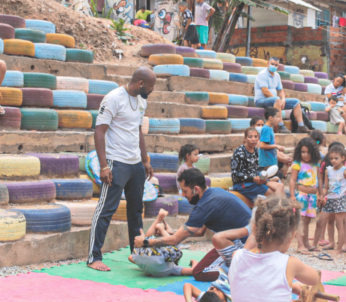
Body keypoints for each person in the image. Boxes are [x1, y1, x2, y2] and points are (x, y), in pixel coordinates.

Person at [87, 67, 155, 271]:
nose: (153, 90)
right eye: (151, 85)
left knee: (135, 211)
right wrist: (104, 165)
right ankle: (94, 257)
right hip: (116, 162)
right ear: (141, 83)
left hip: (135, 165)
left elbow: (138, 131)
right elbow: (99, 132)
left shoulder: (142, 100)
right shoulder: (113, 98)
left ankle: (137, 254)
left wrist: (145, 160)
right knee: (106, 210)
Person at [134, 168, 252, 281]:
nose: (183, 195)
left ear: (196, 189)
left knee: (199, 273)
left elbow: (175, 240)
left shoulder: (203, 207)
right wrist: (172, 232)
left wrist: (144, 242)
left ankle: (244, 270)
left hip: (245, 246)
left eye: (185, 191)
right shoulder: (213, 193)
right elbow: (199, 231)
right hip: (244, 240)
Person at [253, 56, 312, 133]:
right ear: (268, 64)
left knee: (296, 102)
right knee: (277, 99)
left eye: (276, 65)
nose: (274, 66)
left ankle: (301, 126)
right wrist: (278, 100)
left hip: (274, 100)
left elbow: (281, 91)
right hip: (261, 101)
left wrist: (283, 99)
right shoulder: (262, 74)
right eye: (272, 64)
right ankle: (281, 125)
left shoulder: (277, 75)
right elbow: (265, 91)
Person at [231, 126, 282, 202]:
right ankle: (279, 211)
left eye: (256, 137)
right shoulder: (239, 152)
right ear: (245, 139)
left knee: (280, 186)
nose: (253, 139)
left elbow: (255, 169)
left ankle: (285, 210)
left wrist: (263, 177)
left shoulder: (255, 150)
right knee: (273, 195)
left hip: (255, 182)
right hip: (243, 184)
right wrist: (254, 179)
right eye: (250, 137)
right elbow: (235, 175)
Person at [289, 137, 322, 252]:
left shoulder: (315, 164)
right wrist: (292, 195)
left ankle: (307, 243)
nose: (306, 155)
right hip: (301, 196)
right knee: (300, 220)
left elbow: (319, 179)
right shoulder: (297, 164)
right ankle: (300, 245)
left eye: (308, 152)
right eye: (303, 152)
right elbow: (293, 180)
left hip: (312, 197)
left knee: (307, 221)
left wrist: (321, 194)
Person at [259, 107, 293, 174]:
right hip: (267, 163)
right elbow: (262, 145)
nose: (279, 119)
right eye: (277, 117)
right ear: (271, 118)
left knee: (287, 163)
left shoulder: (270, 128)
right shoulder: (266, 129)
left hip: (272, 161)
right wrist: (276, 146)